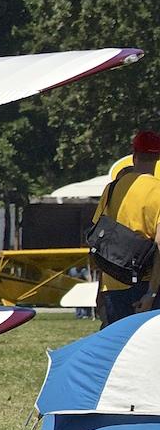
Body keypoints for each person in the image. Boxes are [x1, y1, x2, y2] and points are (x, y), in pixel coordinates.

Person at [91, 130, 160, 327]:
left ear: (134, 153)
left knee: (117, 351)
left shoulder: (112, 188)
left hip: (112, 284)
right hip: (146, 285)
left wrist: (99, 292)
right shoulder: (158, 190)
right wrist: (152, 293)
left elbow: (98, 242)